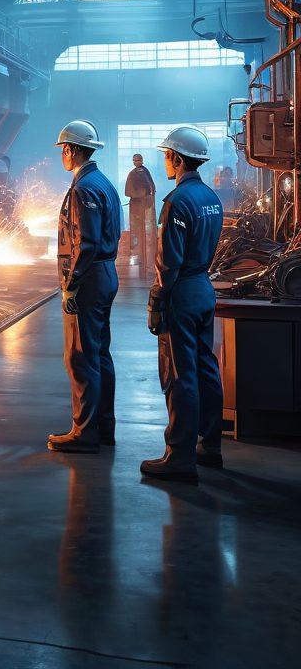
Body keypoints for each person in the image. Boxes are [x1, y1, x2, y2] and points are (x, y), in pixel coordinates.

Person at [142, 125, 224, 483]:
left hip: (182, 294)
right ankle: (211, 445)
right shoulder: (211, 197)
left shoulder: (177, 201)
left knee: (179, 375)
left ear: (176, 158)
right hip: (204, 289)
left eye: (165, 156)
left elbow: (168, 261)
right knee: (207, 369)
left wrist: (156, 301)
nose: (164, 162)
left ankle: (179, 455)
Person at [50, 120, 122, 454]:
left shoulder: (83, 188)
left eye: (64, 149)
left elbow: (87, 242)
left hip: (89, 278)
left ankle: (85, 432)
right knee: (100, 354)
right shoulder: (103, 183)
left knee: (80, 356)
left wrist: (71, 286)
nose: (62, 155)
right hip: (105, 274)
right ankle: (104, 427)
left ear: (75, 150)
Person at [124, 153, 157, 273]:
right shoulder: (132, 174)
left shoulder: (145, 171)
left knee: (148, 235)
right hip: (136, 210)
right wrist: (141, 194)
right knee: (136, 236)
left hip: (146, 208)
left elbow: (152, 188)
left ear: (142, 160)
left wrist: (148, 199)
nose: (137, 162)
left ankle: (148, 265)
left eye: (138, 160)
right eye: (135, 160)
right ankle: (137, 265)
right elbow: (128, 191)